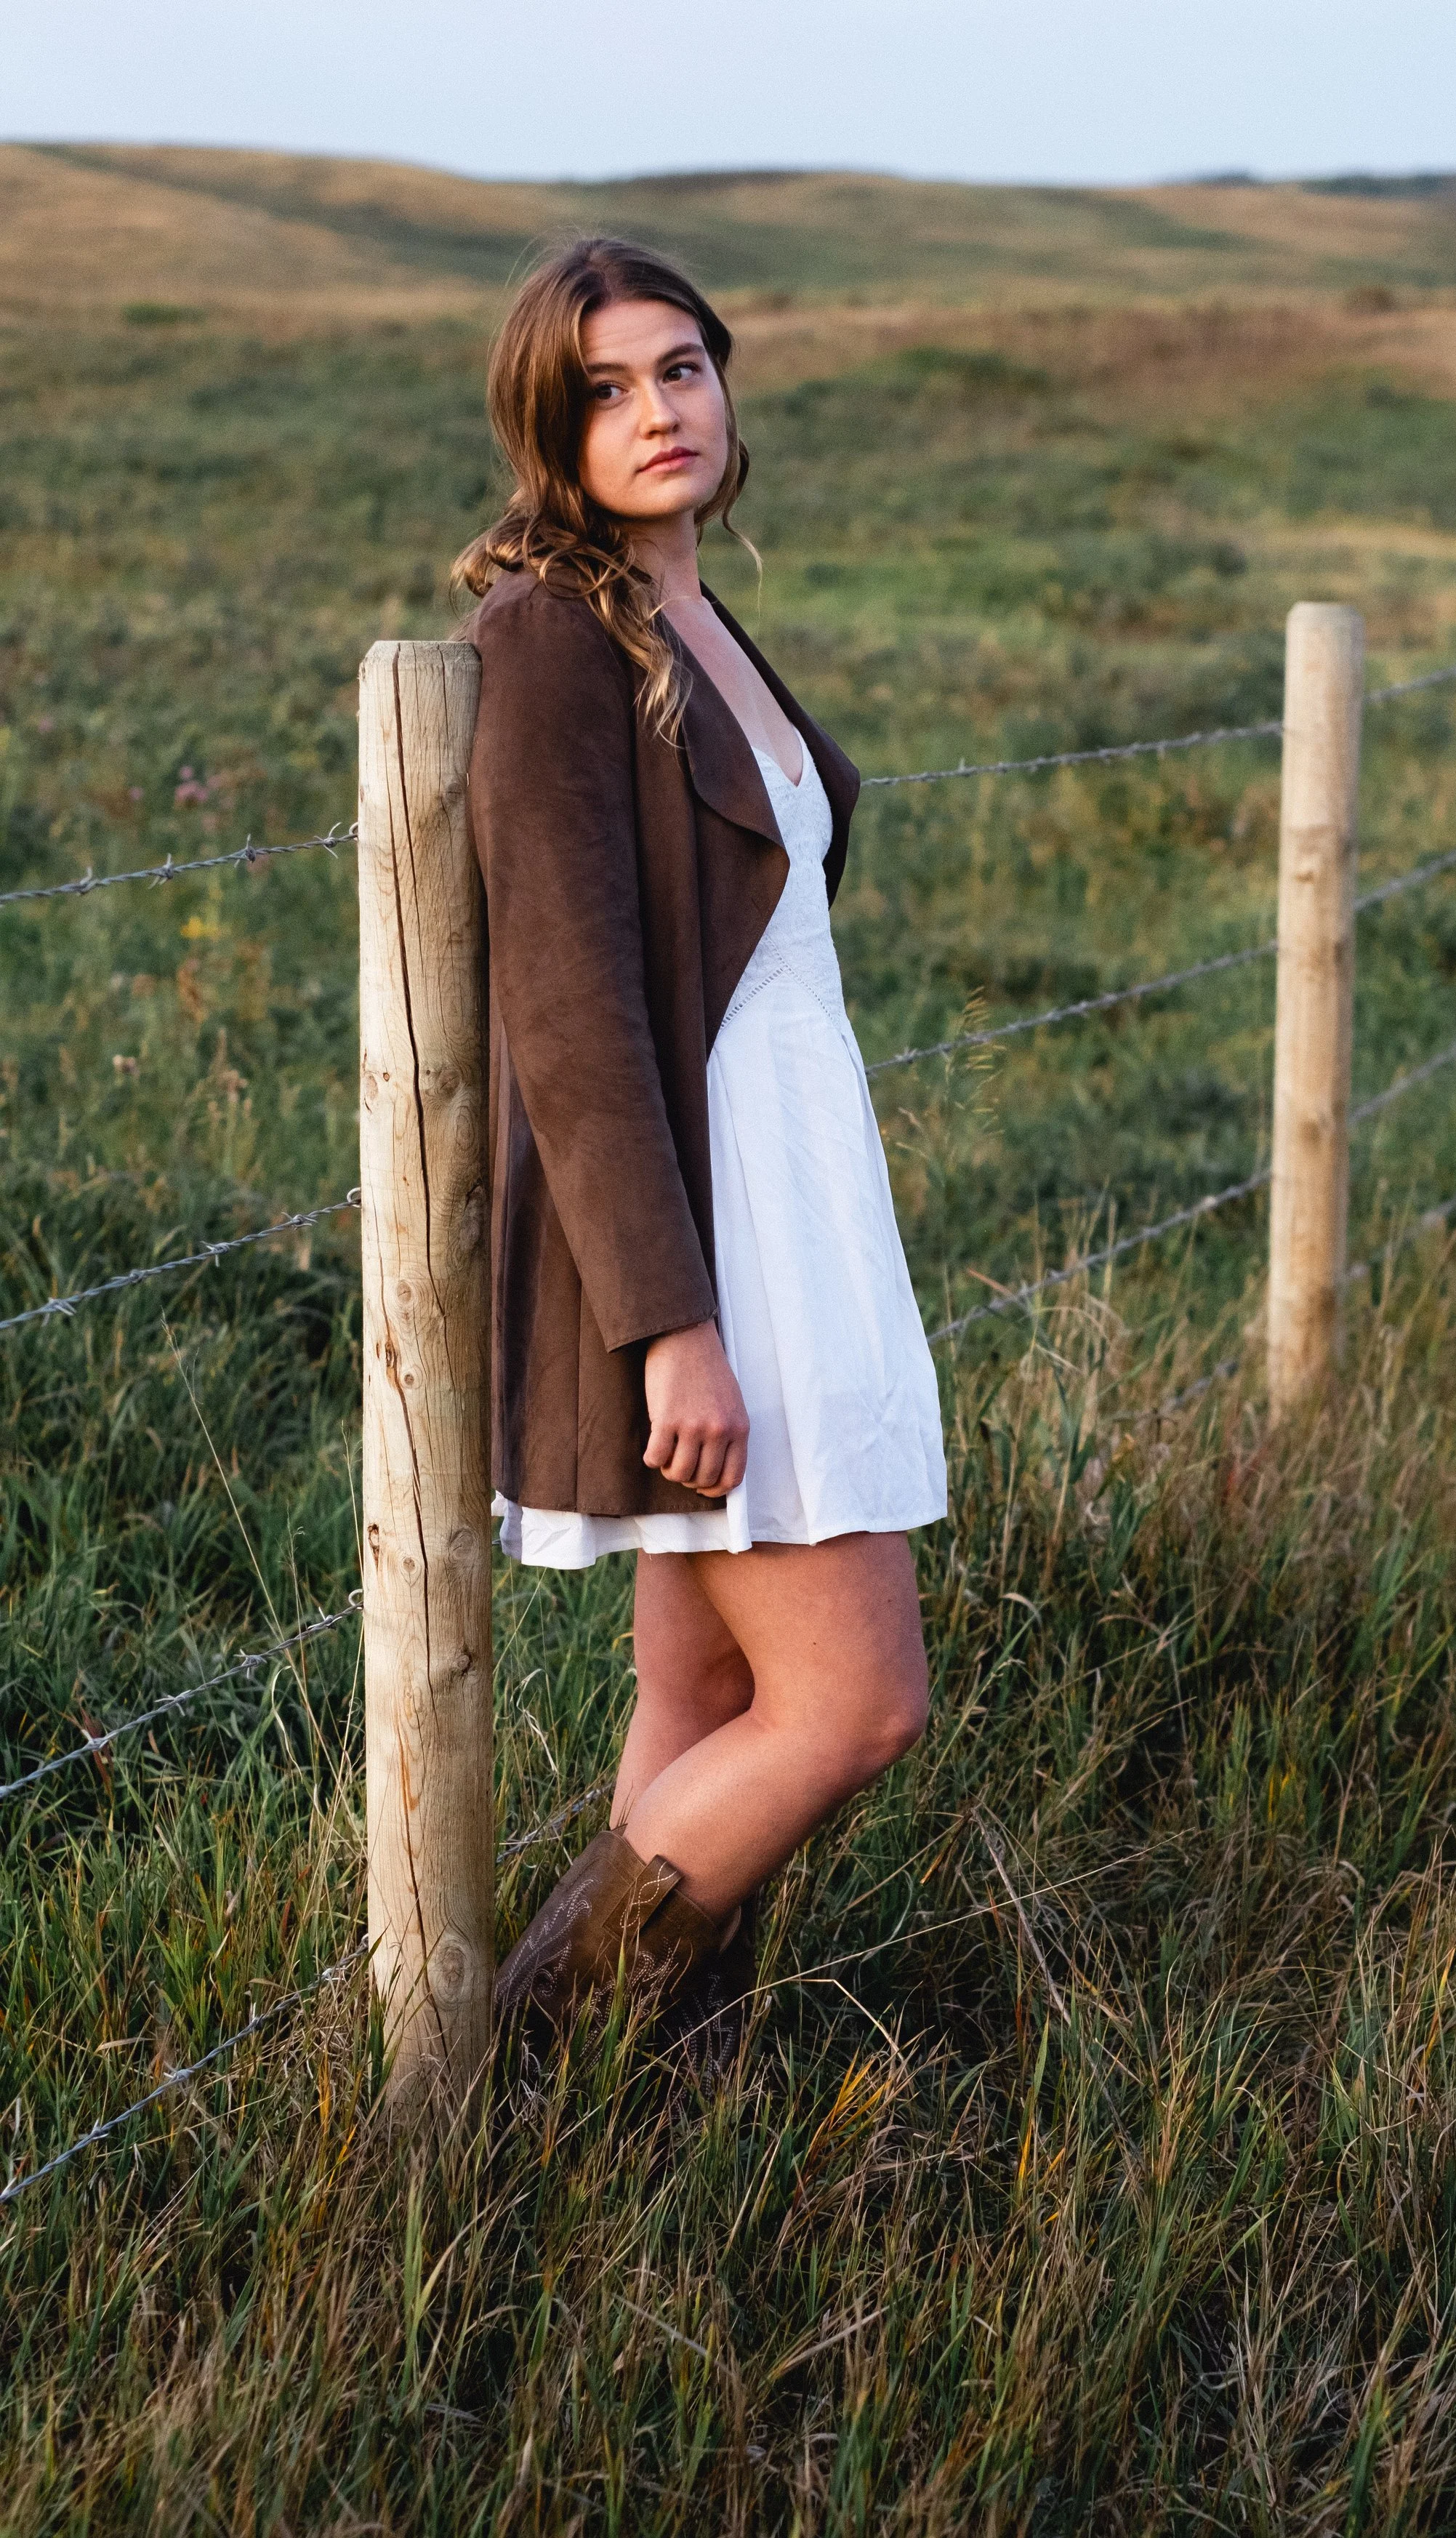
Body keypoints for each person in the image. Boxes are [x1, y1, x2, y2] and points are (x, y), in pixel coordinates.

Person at [454, 238, 946, 2039]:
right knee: (849, 1706)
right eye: (603, 387)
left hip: (796, 1204)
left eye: (679, 368)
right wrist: (667, 1318)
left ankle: (633, 2094)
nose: (654, 411)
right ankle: (525, 2057)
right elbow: (571, 1019)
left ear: (726, 387)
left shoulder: (691, 616)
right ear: (546, 426)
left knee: (698, 1689)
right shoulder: (546, 640)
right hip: (706, 1237)